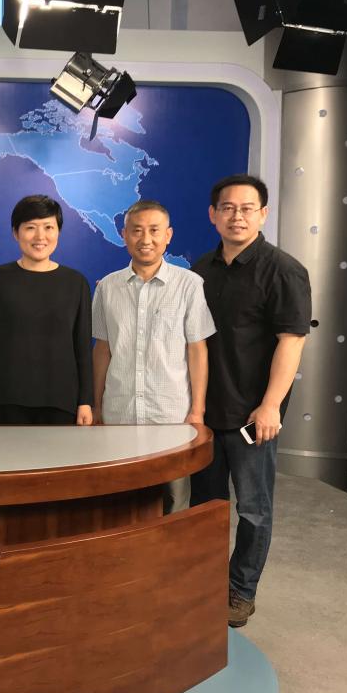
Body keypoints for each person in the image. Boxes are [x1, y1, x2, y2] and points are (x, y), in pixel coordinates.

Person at [191, 173, 311, 628]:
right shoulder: (200, 270)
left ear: (263, 214)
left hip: (253, 417)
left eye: (246, 208)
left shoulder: (283, 270)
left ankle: (240, 591)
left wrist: (271, 405)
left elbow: (292, 341)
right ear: (213, 214)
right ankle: (203, 583)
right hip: (205, 414)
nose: (236, 216)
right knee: (205, 509)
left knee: (254, 511)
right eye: (227, 208)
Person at [91, 200, 215, 513]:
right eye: (137, 231)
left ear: (168, 235)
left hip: (171, 415)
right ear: (124, 235)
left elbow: (197, 349)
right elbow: (102, 349)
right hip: (120, 412)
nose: (145, 239)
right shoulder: (107, 287)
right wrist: (97, 405)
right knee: (120, 499)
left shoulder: (189, 285)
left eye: (154, 230)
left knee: (175, 500)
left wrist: (197, 410)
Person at [0, 195, 93, 426]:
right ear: (15, 233)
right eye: (30, 228)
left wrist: (85, 401)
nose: (40, 236)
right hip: (5, 400)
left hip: (61, 402)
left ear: (58, 232)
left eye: (48, 227)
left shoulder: (75, 282)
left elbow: (83, 348)